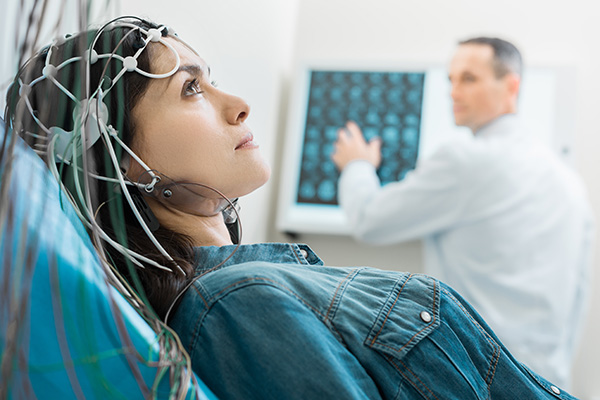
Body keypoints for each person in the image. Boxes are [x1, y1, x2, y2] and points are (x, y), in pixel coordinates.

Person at [4, 18, 580, 399]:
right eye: (190, 90)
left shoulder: (257, 285)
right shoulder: (233, 304)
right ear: (119, 160)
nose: (239, 104)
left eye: (212, 81)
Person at [331, 37, 594, 389]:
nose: (454, 91)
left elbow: (368, 220)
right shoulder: (569, 182)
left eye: (469, 79)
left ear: (511, 85)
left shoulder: (465, 161)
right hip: (549, 386)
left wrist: (358, 166)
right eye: (450, 80)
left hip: (481, 383)